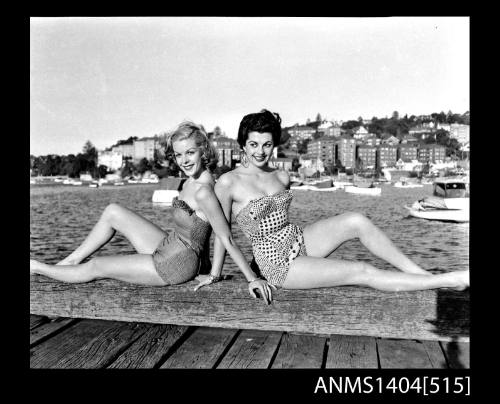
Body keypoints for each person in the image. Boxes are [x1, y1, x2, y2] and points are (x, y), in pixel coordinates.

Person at [209, 109, 470, 292]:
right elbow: (223, 235)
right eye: (253, 144)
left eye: (266, 144)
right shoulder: (229, 182)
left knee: (356, 220)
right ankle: (448, 280)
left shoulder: (281, 175)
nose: (260, 152)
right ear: (242, 145)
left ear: (274, 144)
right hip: (273, 263)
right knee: (361, 270)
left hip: (297, 239)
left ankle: (420, 274)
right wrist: (216, 274)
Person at [30, 121, 275, 303]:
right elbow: (208, 232)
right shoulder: (190, 180)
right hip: (169, 245)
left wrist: (248, 278)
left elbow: (226, 236)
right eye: (179, 154)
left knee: (97, 266)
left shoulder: (204, 191)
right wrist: (213, 270)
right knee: (113, 211)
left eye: (190, 152)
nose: (184, 160)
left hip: (176, 264)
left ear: (204, 151)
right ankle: (70, 262)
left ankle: (39, 268)